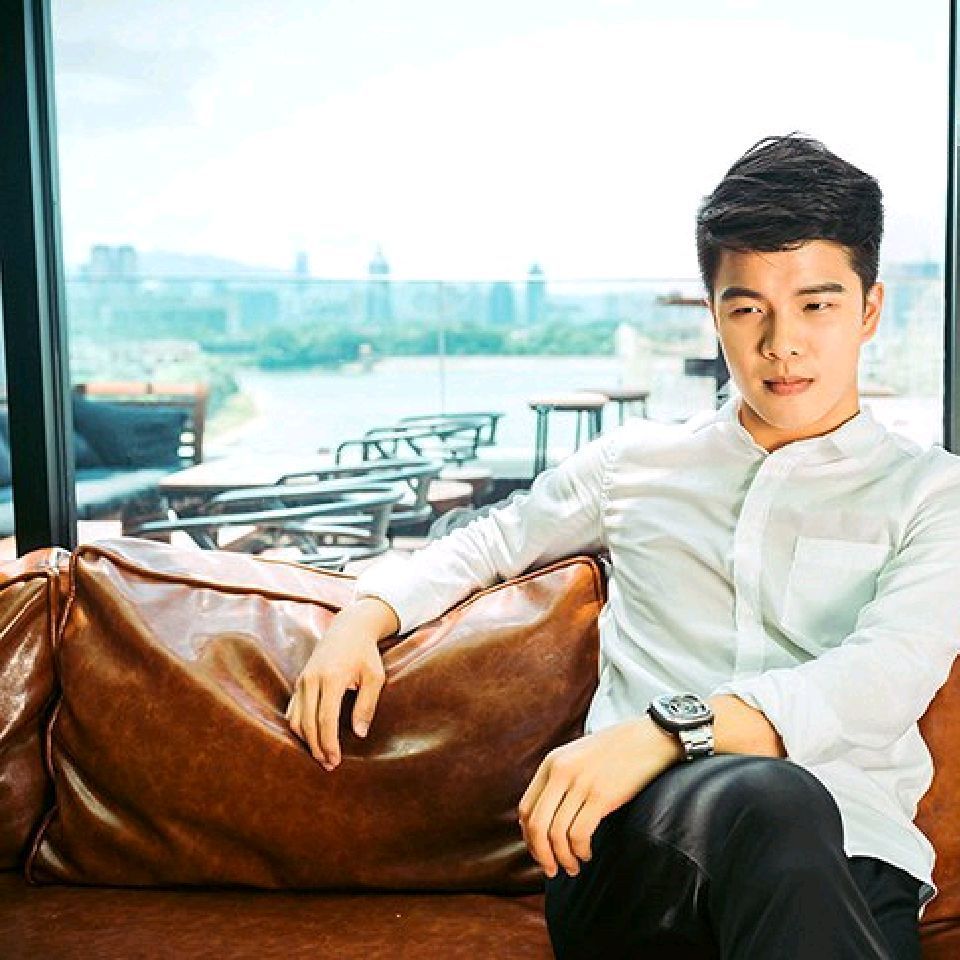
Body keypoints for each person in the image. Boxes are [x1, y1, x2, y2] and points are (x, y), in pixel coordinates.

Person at [285, 135, 960, 959]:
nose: (782, 343)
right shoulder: (634, 465)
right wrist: (364, 614)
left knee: (792, 818)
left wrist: (666, 731)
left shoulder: (934, 494)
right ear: (714, 314)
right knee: (772, 799)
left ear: (869, 310)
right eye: (748, 308)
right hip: (641, 856)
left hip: (854, 861)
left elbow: (882, 678)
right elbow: (486, 541)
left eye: (817, 305)